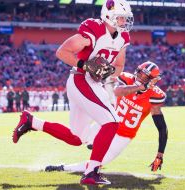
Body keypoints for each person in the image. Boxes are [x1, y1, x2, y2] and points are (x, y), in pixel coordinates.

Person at [12, 0, 133, 185]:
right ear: (109, 16)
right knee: (112, 122)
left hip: (94, 83)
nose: (125, 21)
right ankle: (91, 173)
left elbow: (119, 66)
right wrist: (86, 66)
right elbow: (62, 52)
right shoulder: (95, 29)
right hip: (81, 79)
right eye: (121, 17)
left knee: (77, 138)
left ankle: (32, 121)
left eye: (126, 17)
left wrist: (107, 74)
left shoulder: (123, 37)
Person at [44, 62, 168, 173]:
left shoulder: (155, 96)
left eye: (145, 76)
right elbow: (117, 91)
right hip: (107, 123)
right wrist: (140, 87)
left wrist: (159, 155)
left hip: (123, 135)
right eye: (140, 73)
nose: (140, 77)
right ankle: (94, 142)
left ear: (153, 80)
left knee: (97, 164)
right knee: (77, 137)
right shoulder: (127, 79)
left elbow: (162, 128)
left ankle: (62, 168)